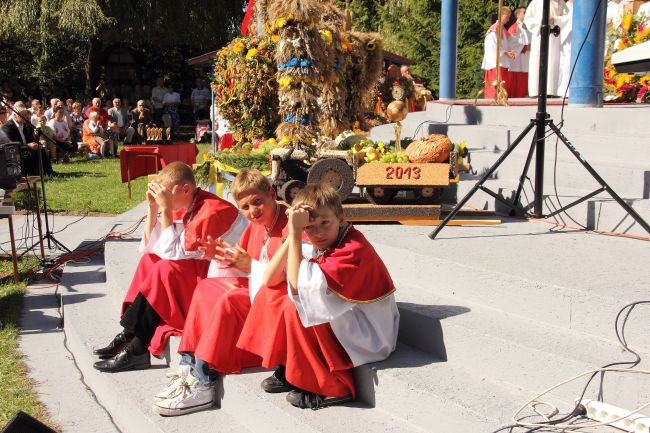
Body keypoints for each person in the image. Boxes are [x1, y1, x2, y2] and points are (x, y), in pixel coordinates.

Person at [237, 184, 399, 409]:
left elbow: (297, 288)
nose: (318, 233)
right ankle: (289, 366)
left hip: (369, 333)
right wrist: (293, 233)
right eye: (310, 227)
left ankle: (334, 386)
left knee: (294, 304)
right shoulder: (320, 238)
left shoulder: (352, 248)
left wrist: (295, 233)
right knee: (272, 294)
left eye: (325, 223)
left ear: (341, 218)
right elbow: (270, 279)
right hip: (346, 318)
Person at [152, 169, 287, 416]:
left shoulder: (289, 224)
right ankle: (188, 364)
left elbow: (291, 275)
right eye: (245, 207)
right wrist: (227, 260)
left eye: (257, 202)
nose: (253, 211)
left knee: (228, 299)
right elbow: (246, 264)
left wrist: (250, 267)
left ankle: (204, 380)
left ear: (272, 193)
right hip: (261, 289)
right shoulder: (257, 225)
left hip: (281, 301)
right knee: (206, 288)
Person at [93, 162, 248, 373]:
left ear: (185, 189)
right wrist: (153, 208)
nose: (161, 197)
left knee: (165, 269)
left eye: (165, 193)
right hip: (209, 269)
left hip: (227, 279)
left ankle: (137, 346)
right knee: (151, 262)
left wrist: (165, 209)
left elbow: (171, 253)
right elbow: (151, 248)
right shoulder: (189, 202)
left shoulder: (211, 210)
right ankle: (131, 335)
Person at [524, 0, 569, 97]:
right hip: (539, 35)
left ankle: (551, 91)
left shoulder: (560, 2)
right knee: (537, 61)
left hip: (553, 36)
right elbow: (528, 19)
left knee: (552, 61)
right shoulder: (535, 2)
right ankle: (535, 91)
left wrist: (555, 19)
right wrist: (541, 22)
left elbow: (567, 16)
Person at [1, 107, 55, 176]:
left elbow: (32, 138)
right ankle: (32, 173)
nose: (25, 117)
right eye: (22, 115)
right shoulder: (8, 127)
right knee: (29, 155)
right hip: (17, 150)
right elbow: (11, 143)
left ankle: (48, 172)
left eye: (25, 114)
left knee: (42, 150)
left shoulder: (26, 125)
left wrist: (38, 144)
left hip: (28, 147)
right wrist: (27, 145)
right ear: (15, 116)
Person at [482, 7, 516, 99]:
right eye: (507, 16)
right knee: (495, 87)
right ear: (502, 15)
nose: (508, 19)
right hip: (495, 63)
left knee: (502, 86)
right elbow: (493, 46)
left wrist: (511, 51)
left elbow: (508, 42)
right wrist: (506, 53)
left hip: (503, 63)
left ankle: (501, 100)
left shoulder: (503, 30)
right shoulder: (493, 30)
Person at [507, 7, 532, 98]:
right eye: (524, 12)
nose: (526, 14)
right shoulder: (514, 28)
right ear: (518, 15)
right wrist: (525, 47)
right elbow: (511, 45)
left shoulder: (528, 26)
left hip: (527, 58)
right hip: (518, 60)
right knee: (517, 81)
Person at [556, 0, 574, 98]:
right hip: (567, 35)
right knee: (567, 61)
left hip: (573, 34)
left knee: (567, 61)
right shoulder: (566, 6)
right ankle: (564, 89)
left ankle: (564, 88)